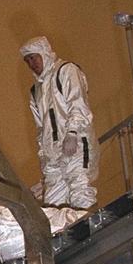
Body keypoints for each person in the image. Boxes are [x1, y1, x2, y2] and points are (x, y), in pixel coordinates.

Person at [20, 36, 98, 210]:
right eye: (27, 60)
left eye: (34, 57)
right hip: (53, 155)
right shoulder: (36, 91)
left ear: (45, 53)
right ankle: (63, 235)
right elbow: (42, 128)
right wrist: (44, 156)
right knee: (53, 204)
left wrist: (72, 133)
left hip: (75, 144)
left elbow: (78, 104)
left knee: (80, 191)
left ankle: (90, 230)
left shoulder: (66, 71)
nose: (31, 63)